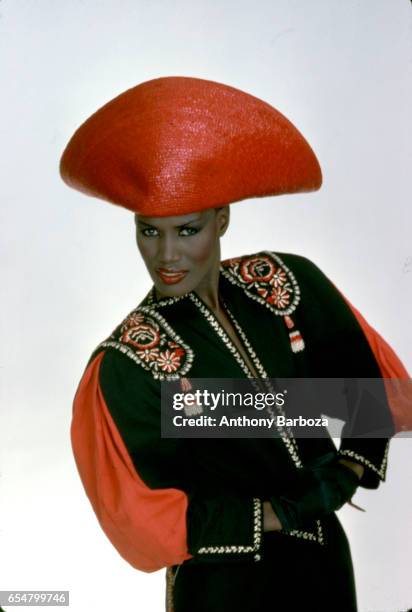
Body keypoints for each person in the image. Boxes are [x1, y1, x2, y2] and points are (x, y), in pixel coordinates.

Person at [60, 76, 409, 611]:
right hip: (221, 588)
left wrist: (344, 475)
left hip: (324, 570)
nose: (167, 255)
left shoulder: (288, 286)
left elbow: (370, 394)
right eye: (150, 231)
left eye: (188, 229)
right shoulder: (126, 361)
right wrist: (280, 511)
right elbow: (146, 522)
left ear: (222, 218)